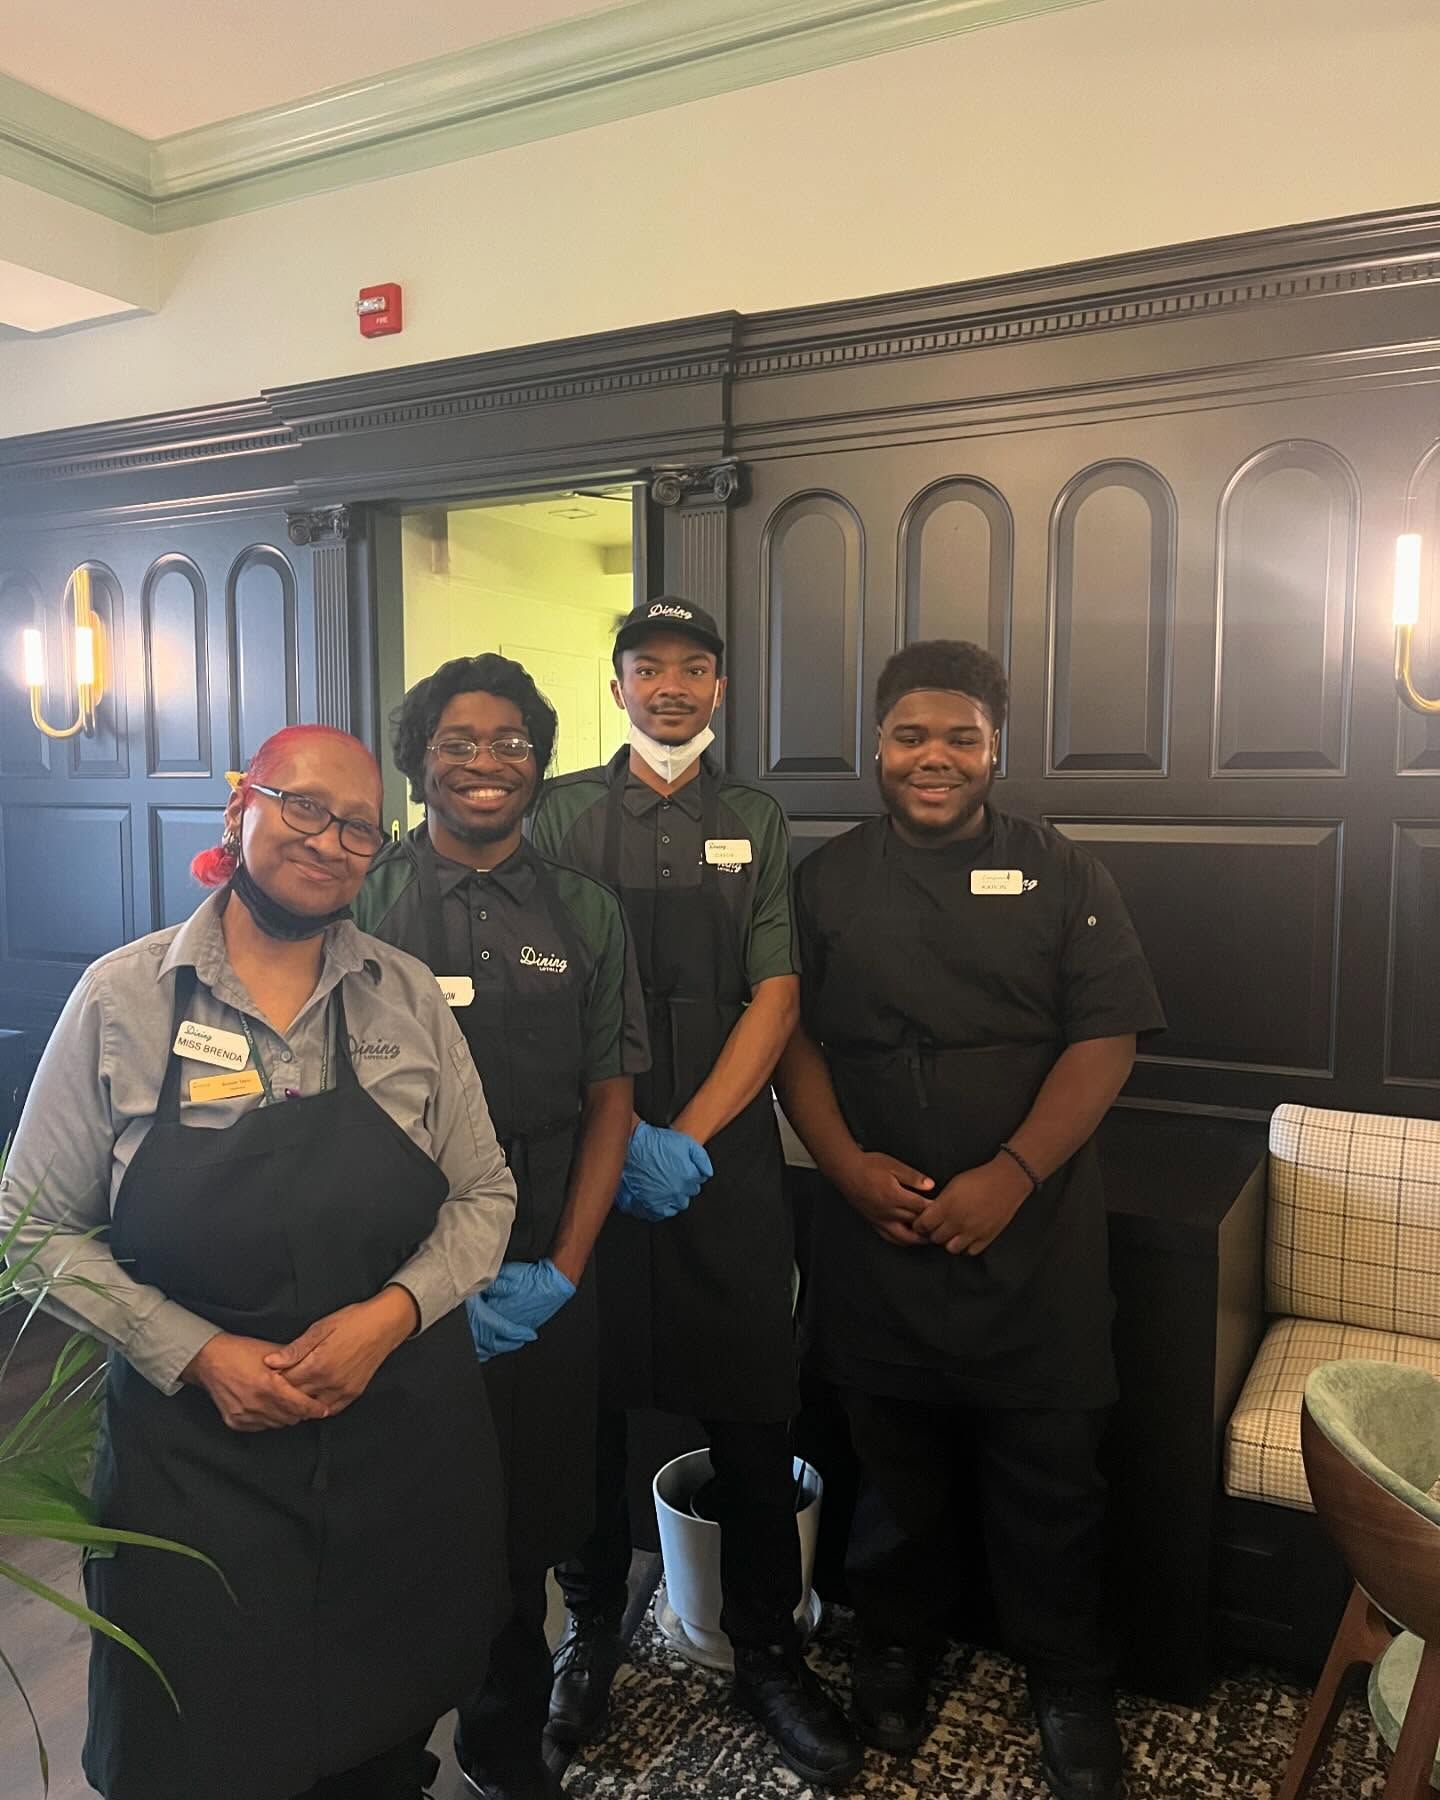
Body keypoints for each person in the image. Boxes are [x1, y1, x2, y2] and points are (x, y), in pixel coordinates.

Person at [0, 724, 521, 1800]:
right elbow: (31, 1227)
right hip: (195, 1462)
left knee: (383, 1735)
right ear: (242, 809)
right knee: (196, 1741)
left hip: (396, 1434)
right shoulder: (122, 998)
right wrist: (192, 1354)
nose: (330, 842)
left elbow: (486, 1196)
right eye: (304, 808)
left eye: (361, 829)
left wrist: (388, 1318)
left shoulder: (408, 995)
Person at [774, 641, 1166, 1800]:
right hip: (870, 1225)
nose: (932, 758)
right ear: (876, 747)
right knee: (891, 1462)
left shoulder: (1063, 872)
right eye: (910, 736)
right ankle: (894, 1645)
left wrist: (1013, 1173)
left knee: (1052, 1470)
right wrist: (841, 1166)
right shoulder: (825, 880)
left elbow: (1109, 1037)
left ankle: (1070, 1680)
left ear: (996, 749)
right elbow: (790, 1034)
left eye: (960, 738)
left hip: (1032, 1227)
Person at [531, 598, 860, 1789]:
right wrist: (618, 1139)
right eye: (648, 668)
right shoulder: (560, 810)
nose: (671, 687)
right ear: (615, 684)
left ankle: (770, 1652)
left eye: (696, 669)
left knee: (753, 1405)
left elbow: (774, 994)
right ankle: (590, 1641)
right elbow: (549, 988)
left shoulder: (756, 816)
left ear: (721, 687)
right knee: (588, 1402)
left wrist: (689, 1136)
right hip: (584, 1148)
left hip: (722, 1158)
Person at [354, 654, 645, 1800]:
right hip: (391, 1277)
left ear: (540, 761)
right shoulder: (365, 896)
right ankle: (377, 1744)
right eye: (460, 741)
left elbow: (611, 1096)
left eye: (514, 741)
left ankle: (504, 1737)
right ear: (420, 757)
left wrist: (565, 1270)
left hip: (540, 1264)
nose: (487, 762)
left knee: (532, 1517)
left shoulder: (584, 910)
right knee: (400, 1514)